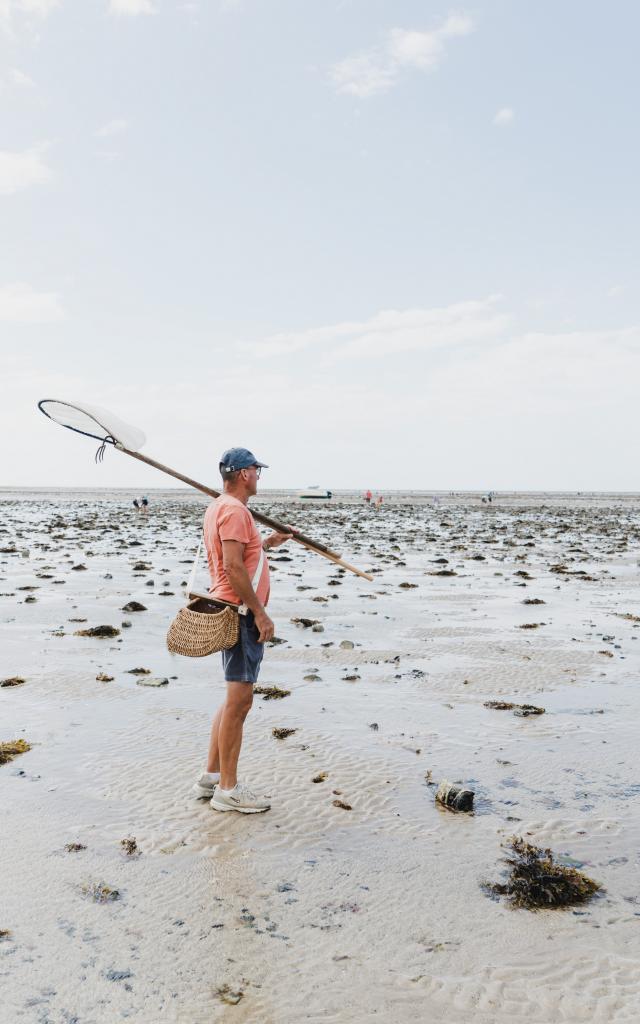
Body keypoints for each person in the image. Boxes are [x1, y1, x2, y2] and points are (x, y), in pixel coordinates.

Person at [192, 447, 292, 814]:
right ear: (245, 474)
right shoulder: (234, 510)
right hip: (239, 613)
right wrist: (260, 613)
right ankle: (228, 791)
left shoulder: (223, 508)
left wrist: (267, 544)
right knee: (240, 701)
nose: (259, 476)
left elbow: (237, 556)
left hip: (231, 607)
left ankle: (211, 777)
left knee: (232, 699)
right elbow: (233, 568)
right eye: (257, 470)